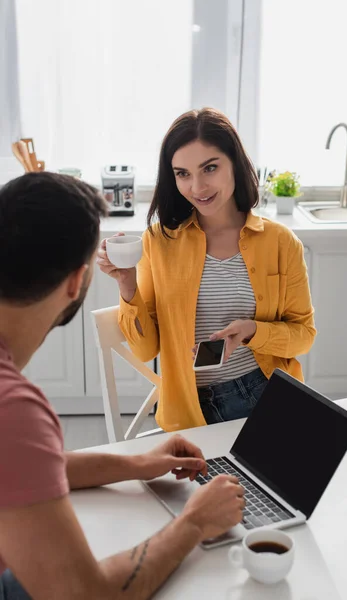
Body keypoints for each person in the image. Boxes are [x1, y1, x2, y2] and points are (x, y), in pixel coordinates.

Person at [0, 172, 244, 600]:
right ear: (77, 282)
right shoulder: (13, 409)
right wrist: (193, 522)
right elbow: (85, 595)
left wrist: (135, 464)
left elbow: (20, 465)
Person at [97, 108, 317, 432]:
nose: (197, 187)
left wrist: (253, 331)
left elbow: (303, 336)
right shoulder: (159, 242)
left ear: (234, 163)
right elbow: (146, 350)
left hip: (265, 393)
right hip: (188, 409)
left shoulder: (280, 242)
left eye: (209, 168)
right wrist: (127, 284)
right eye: (182, 173)